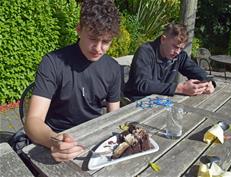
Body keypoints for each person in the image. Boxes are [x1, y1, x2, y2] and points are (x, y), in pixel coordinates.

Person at [24, 0, 121, 162]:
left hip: (94, 141)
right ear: (78, 30)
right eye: (92, 39)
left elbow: (114, 116)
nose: (98, 48)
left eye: (106, 42)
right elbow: (33, 121)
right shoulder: (53, 62)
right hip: (53, 139)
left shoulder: (113, 68)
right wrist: (54, 140)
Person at [124, 23, 215, 101]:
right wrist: (180, 88)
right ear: (163, 39)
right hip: (136, 101)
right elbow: (142, 85)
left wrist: (209, 82)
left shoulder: (179, 56)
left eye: (181, 48)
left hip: (161, 101)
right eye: (175, 46)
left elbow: (196, 71)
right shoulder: (145, 52)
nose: (178, 52)